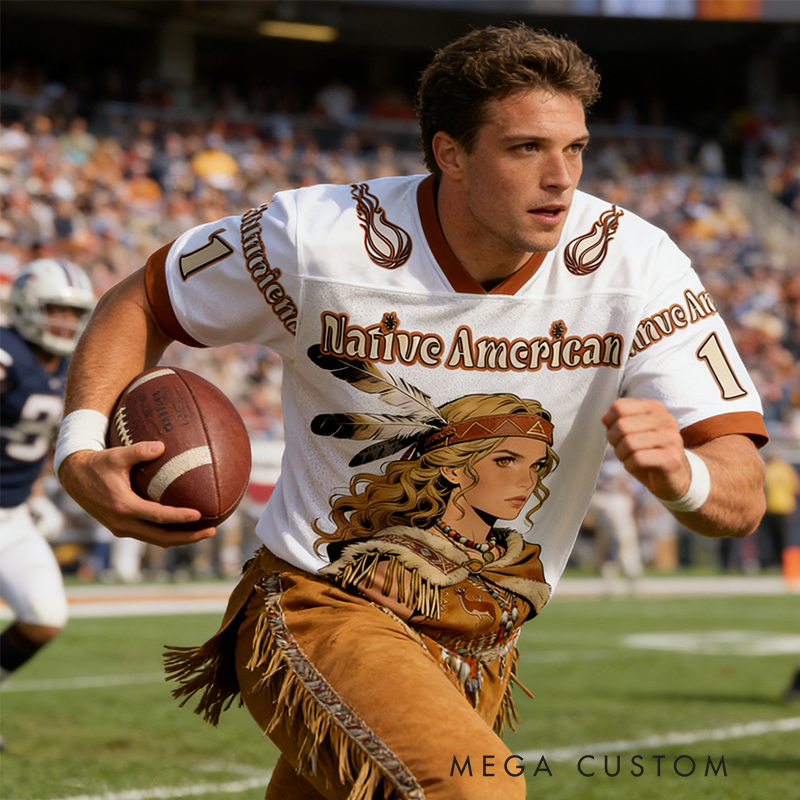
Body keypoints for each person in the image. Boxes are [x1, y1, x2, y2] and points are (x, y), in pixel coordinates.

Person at [55, 25, 767, 800]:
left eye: (576, 148)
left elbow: (742, 493)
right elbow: (145, 298)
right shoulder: (320, 238)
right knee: (482, 792)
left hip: (483, 643)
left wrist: (683, 474)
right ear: (449, 154)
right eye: (526, 148)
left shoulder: (639, 265)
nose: (561, 178)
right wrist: (80, 444)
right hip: (321, 600)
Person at [0, 259, 95, 694]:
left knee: (44, 617)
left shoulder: (67, 367)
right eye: (57, 309)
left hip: (13, 516)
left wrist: (35, 488)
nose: (66, 322)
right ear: (27, 304)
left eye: (75, 313)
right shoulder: (7, 355)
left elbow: (33, 437)